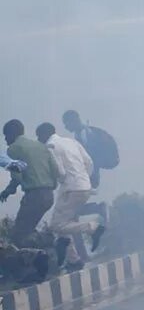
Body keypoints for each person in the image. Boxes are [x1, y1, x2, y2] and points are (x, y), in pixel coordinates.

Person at [37, 123, 100, 270]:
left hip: (70, 189)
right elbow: (89, 162)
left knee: (56, 225)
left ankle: (92, 227)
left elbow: (60, 172)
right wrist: (84, 178)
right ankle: (74, 260)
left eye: (39, 137)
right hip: (85, 186)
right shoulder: (71, 141)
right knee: (64, 224)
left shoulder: (50, 147)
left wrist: (58, 180)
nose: (39, 140)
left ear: (44, 135)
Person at [1, 120, 58, 257]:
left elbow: (16, 175)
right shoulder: (41, 146)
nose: (5, 139)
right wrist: (51, 185)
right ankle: (45, 251)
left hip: (34, 196)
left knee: (18, 234)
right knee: (28, 229)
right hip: (49, 195)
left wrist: (7, 191)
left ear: (11, 133)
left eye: (6, 135)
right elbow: (55, 169)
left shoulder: (14, 148)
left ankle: (50, 243)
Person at [61, 110, 115, 239]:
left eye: (66, 123)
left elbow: (90, 157)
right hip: (87, 175)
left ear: (74, 120)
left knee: (70, 210)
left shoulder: (85, 134)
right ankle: (97, 210)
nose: (66, 127)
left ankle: (99, 209)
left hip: (88, 176)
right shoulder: (82, 133)